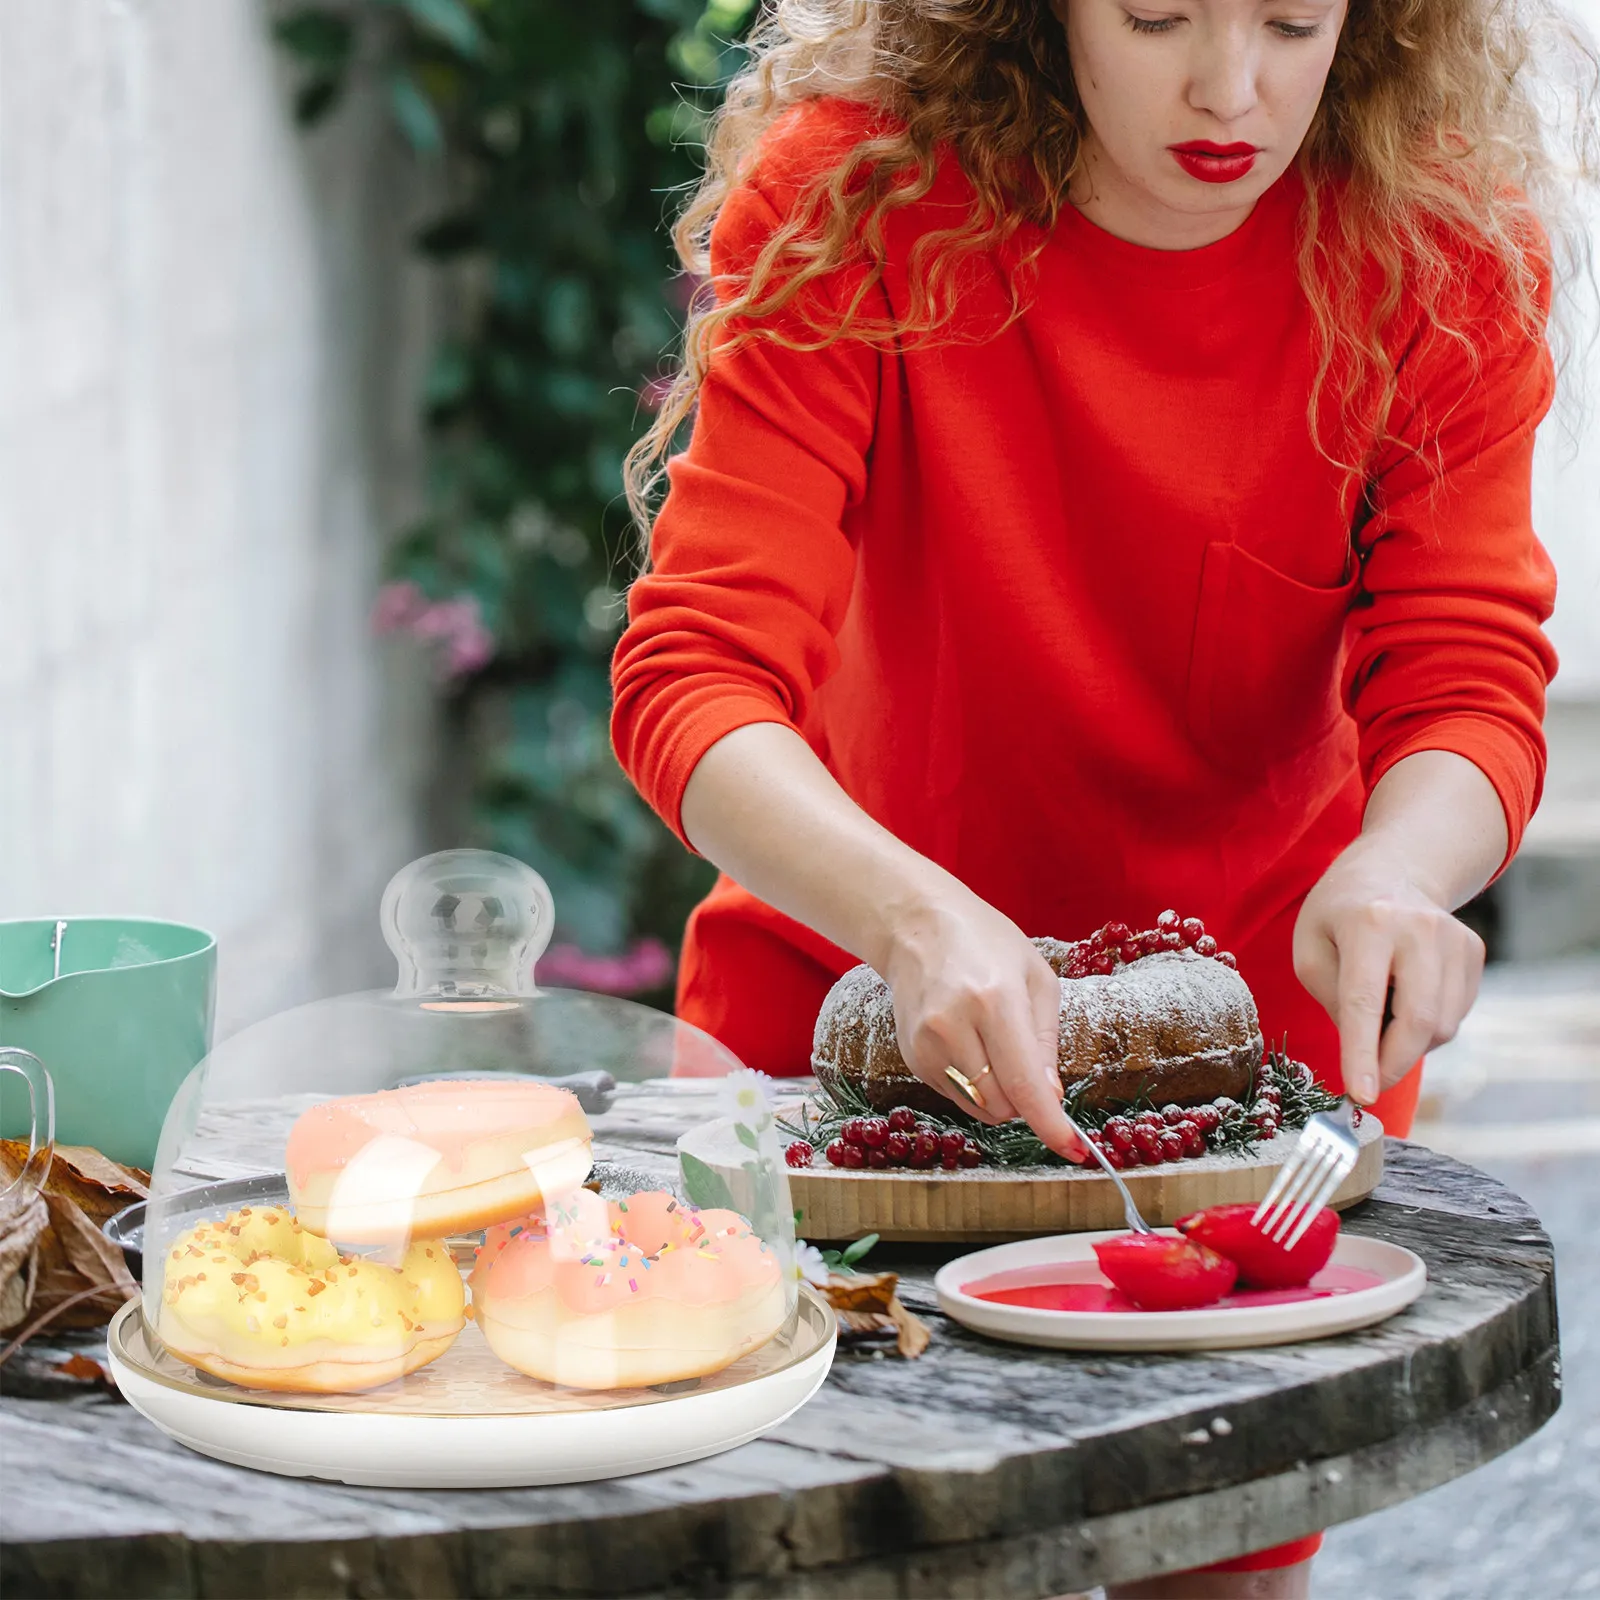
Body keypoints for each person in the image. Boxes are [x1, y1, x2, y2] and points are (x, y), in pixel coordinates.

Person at [610, 0, 1597, 1591]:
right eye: (1154, 15)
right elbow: (694, 677)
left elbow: (1466, 677)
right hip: (839, 1039)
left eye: (1293, 20)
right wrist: (918, 920)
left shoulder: (1438, 238)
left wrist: (1406, 870)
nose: (1231, 89)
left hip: (1248, 1087)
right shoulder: (858, 188)